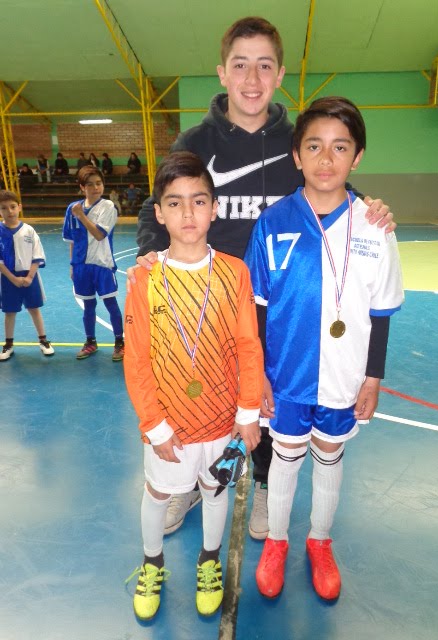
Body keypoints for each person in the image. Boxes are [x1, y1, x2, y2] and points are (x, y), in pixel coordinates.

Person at [134, 16, 396, 541]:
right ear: (222, 74)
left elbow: (334, 186)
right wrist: (149, 255)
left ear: (279, 76)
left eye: (264, 66)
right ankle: (186, 483)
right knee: (194, 399)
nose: (252, 78)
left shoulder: (295, 140)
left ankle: (260, 483)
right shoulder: (196, 140)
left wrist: (373, 209)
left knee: (267, 405)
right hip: (201, 305)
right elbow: (157, 202)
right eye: (240, 66)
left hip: (272, 311)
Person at [244, 96, 404, 601]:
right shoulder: (272, 223)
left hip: (345, 376)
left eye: (340, 147)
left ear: (357, 157)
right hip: (286, 375)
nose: (326, 159)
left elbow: (380, 314)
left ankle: (319, 541)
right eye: (314, 146)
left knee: (330, 457)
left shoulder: (375, 228)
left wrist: (373, 377)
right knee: (286, 458)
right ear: (296, 155)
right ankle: (277, 542)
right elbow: (258, 307)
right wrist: (260, 377)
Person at [123, 151, 263, 620]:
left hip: (222, 417)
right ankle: (151, 561)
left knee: (215, 488)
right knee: (160, 494)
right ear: (159, 212)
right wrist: (154, 425)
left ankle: (208, 561)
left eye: (199, 201)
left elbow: (247, 345)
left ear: (214, 208)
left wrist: (248, 412)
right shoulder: (145, 278)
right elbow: (137, 359)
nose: (188, 213)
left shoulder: (234, 272)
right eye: (175, 203)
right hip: (169, 423)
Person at [62, 165, 125, 361]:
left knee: (111, 304)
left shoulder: (107, 207)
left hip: (102, 265)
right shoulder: (72, 209)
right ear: (82, 187)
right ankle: (91, 342)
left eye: (99, 183)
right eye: (90, 184)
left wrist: (81, 215)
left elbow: (99, 234)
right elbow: (71, 240)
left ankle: (119, 343)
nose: (95, 188)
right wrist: (73, 265)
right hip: (81, 267)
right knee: (88, 306)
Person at [0, 190, 55, 360]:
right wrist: (13, 278)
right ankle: (8, 344)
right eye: (4, 208)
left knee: (34, 309)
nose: (9, 211)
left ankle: (43, 340)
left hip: (29, 276)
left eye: (13, 207)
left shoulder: (29, 231)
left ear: (19, 207)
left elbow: (36, 256)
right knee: (10, 312)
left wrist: (30, 277)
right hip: (8, 278)